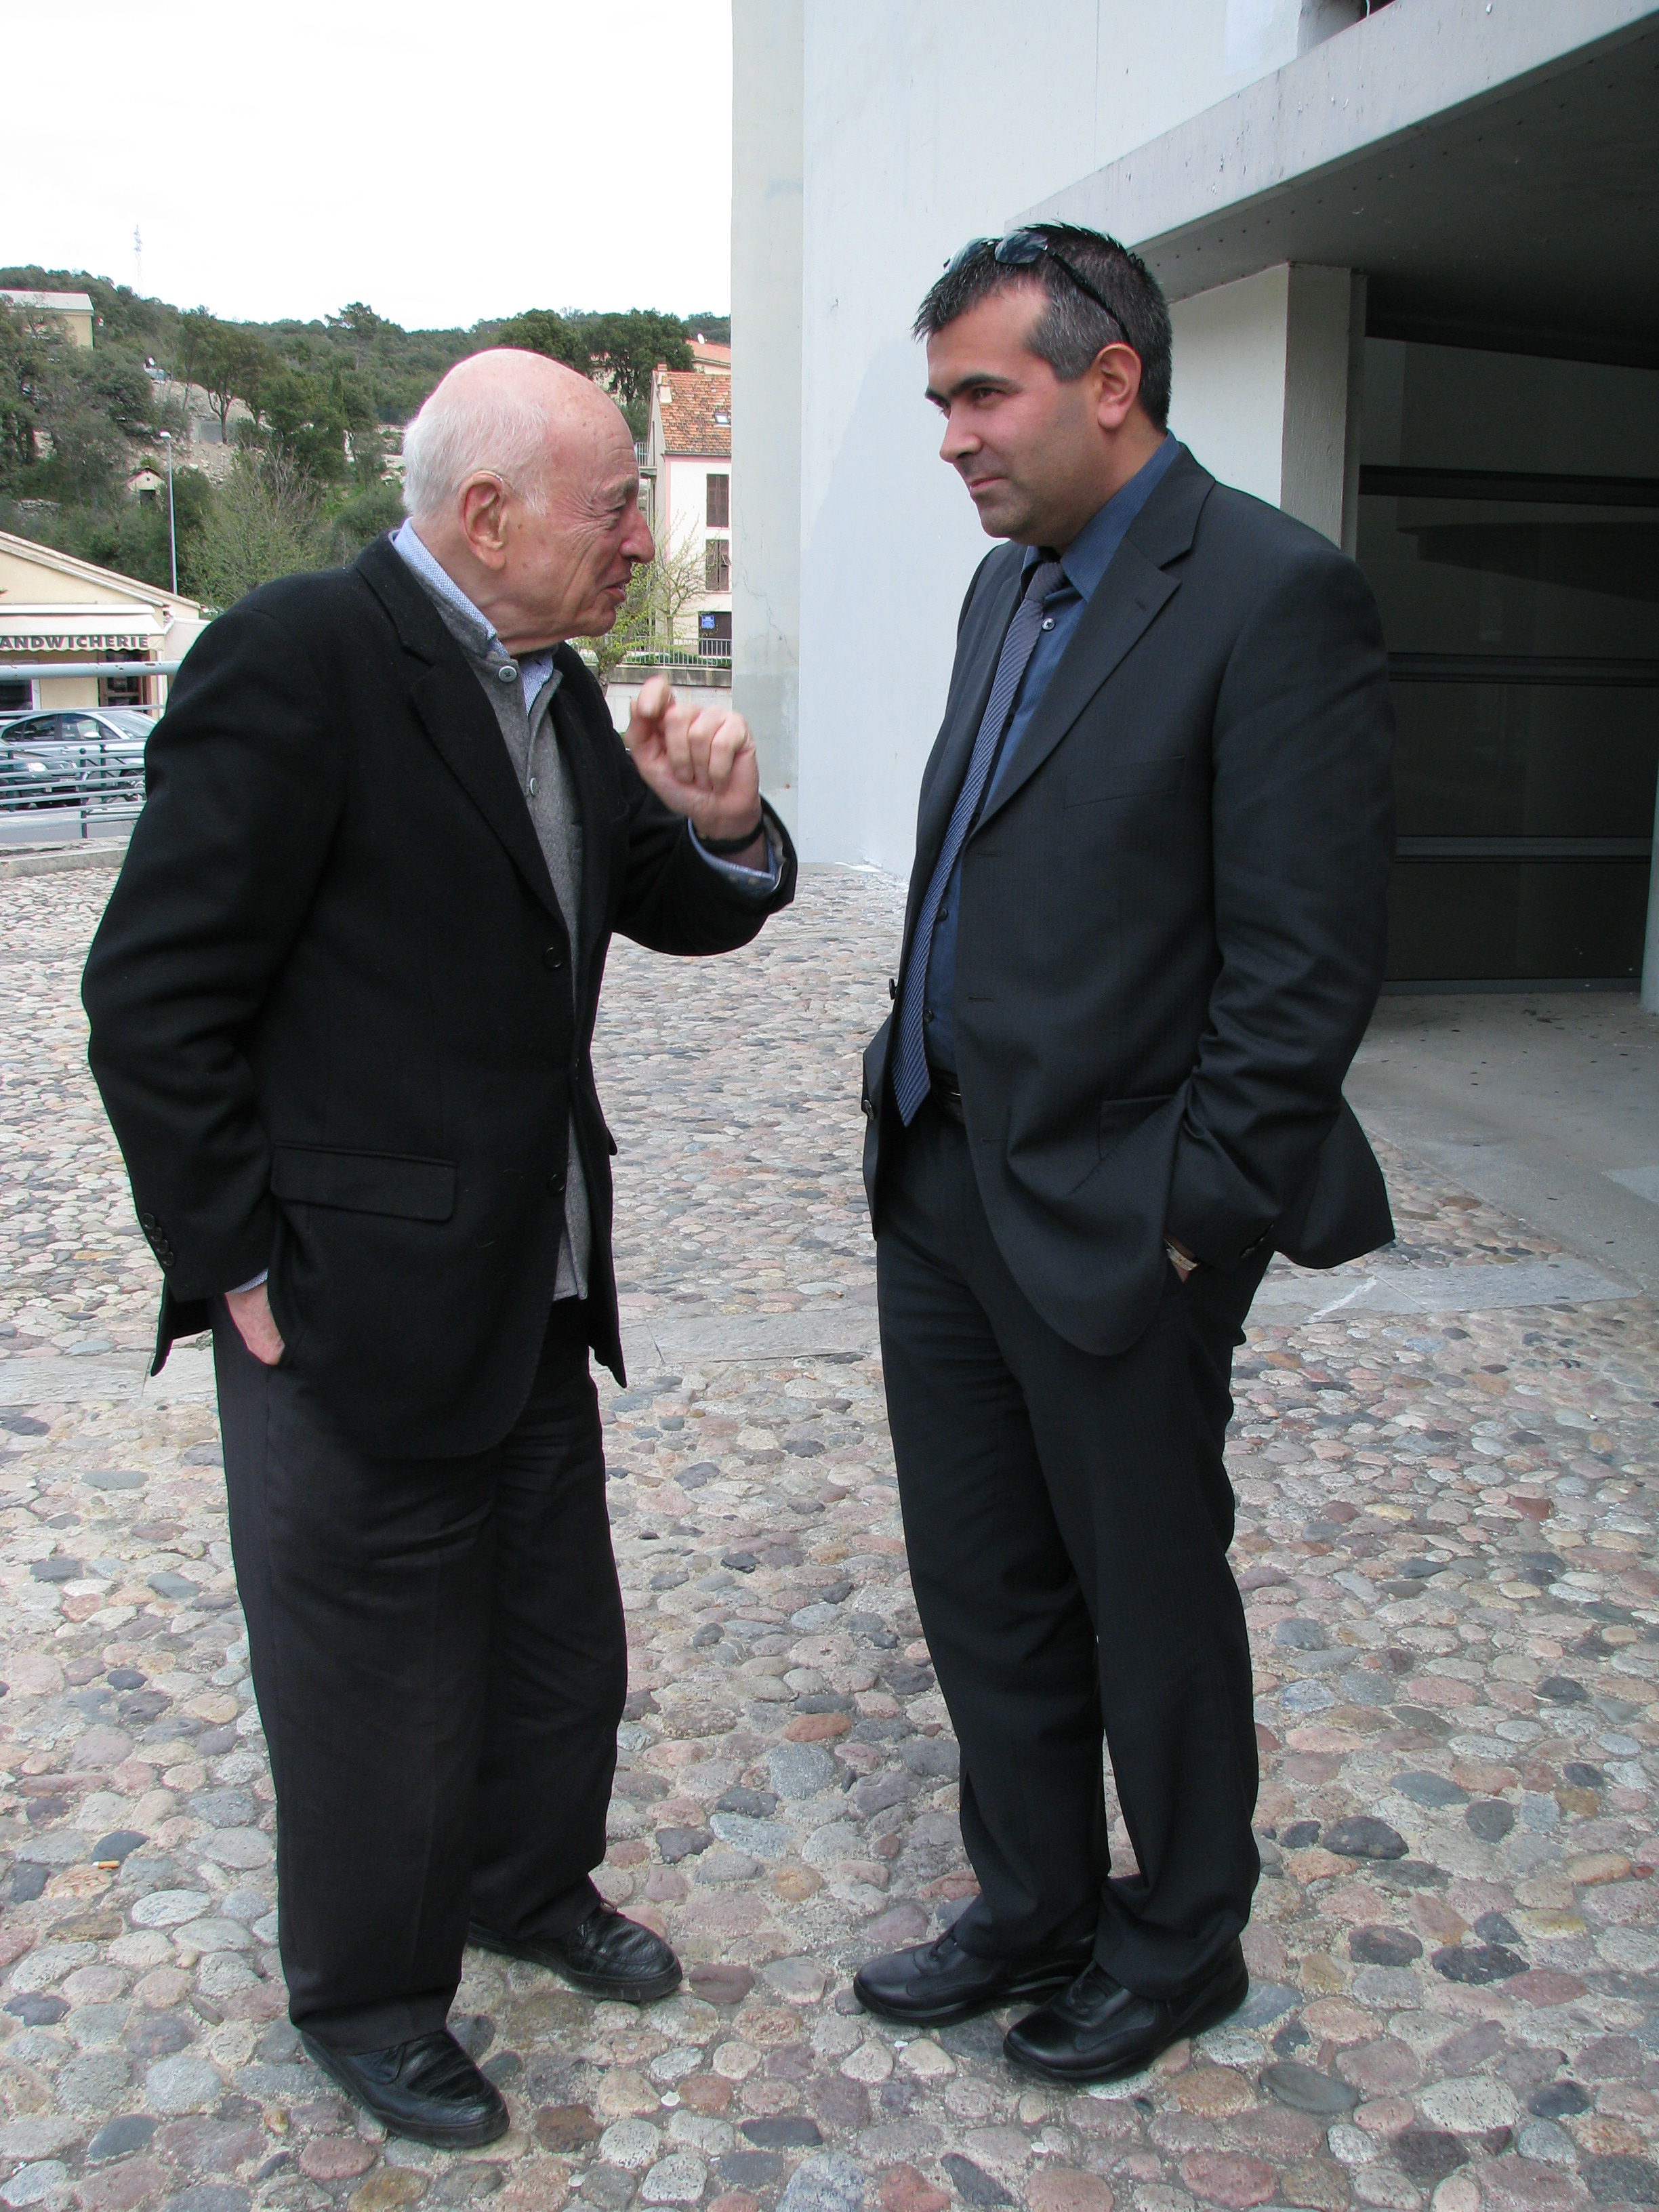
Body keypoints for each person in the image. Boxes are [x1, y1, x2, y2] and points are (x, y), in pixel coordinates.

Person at [82, 350, 796, 2147]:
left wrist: (724, 824)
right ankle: (370, 1999)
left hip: (530, 1287)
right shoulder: (302, 659)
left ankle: (524, 1887)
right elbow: (152, 996)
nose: (637, 539)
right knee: (374, 1692)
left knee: (560, 1652)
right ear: (487, 515)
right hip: (347, 1307)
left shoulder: (557, 689)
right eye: (613, 507)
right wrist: (237, 1262)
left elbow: (671, 902)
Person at [853, 225, 1394, 2082]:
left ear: (1109, 381)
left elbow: (1306, 965)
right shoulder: (1001, 591)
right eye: (940, 401)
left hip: (1121, 1211)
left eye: (981, 394)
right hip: (941, 1178)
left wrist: (1192, 1220)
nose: (952, 438)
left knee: (1145, 1594)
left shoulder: (1274, 594)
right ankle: (1035, 1902)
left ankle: (1181, 1941)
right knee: (982, 1578)